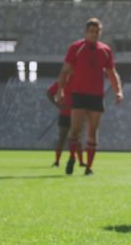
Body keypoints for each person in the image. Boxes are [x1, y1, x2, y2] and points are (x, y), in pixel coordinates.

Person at [56, 18, 123, 176]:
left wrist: (118, 90)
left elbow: (112, 72)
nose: (94, 34)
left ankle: (88, 167)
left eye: (97, 32)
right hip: (79, 94)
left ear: (100, 32)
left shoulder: (105, 50)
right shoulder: (76, 48)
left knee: (93, 131)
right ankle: (72, 158)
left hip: (96, 96)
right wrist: (60, 90)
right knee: (76, 130)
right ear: (86, 32)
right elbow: (65, 71)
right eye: (91, 32)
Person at [46, 81, 83, 168]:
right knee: (62, 137)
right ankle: (57, 161)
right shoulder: (62, 81)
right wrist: (57, 104)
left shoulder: (79, 81)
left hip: (77, 114)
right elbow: (49, 93)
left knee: (77, 138)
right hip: (65, 114)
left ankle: (81, 161)